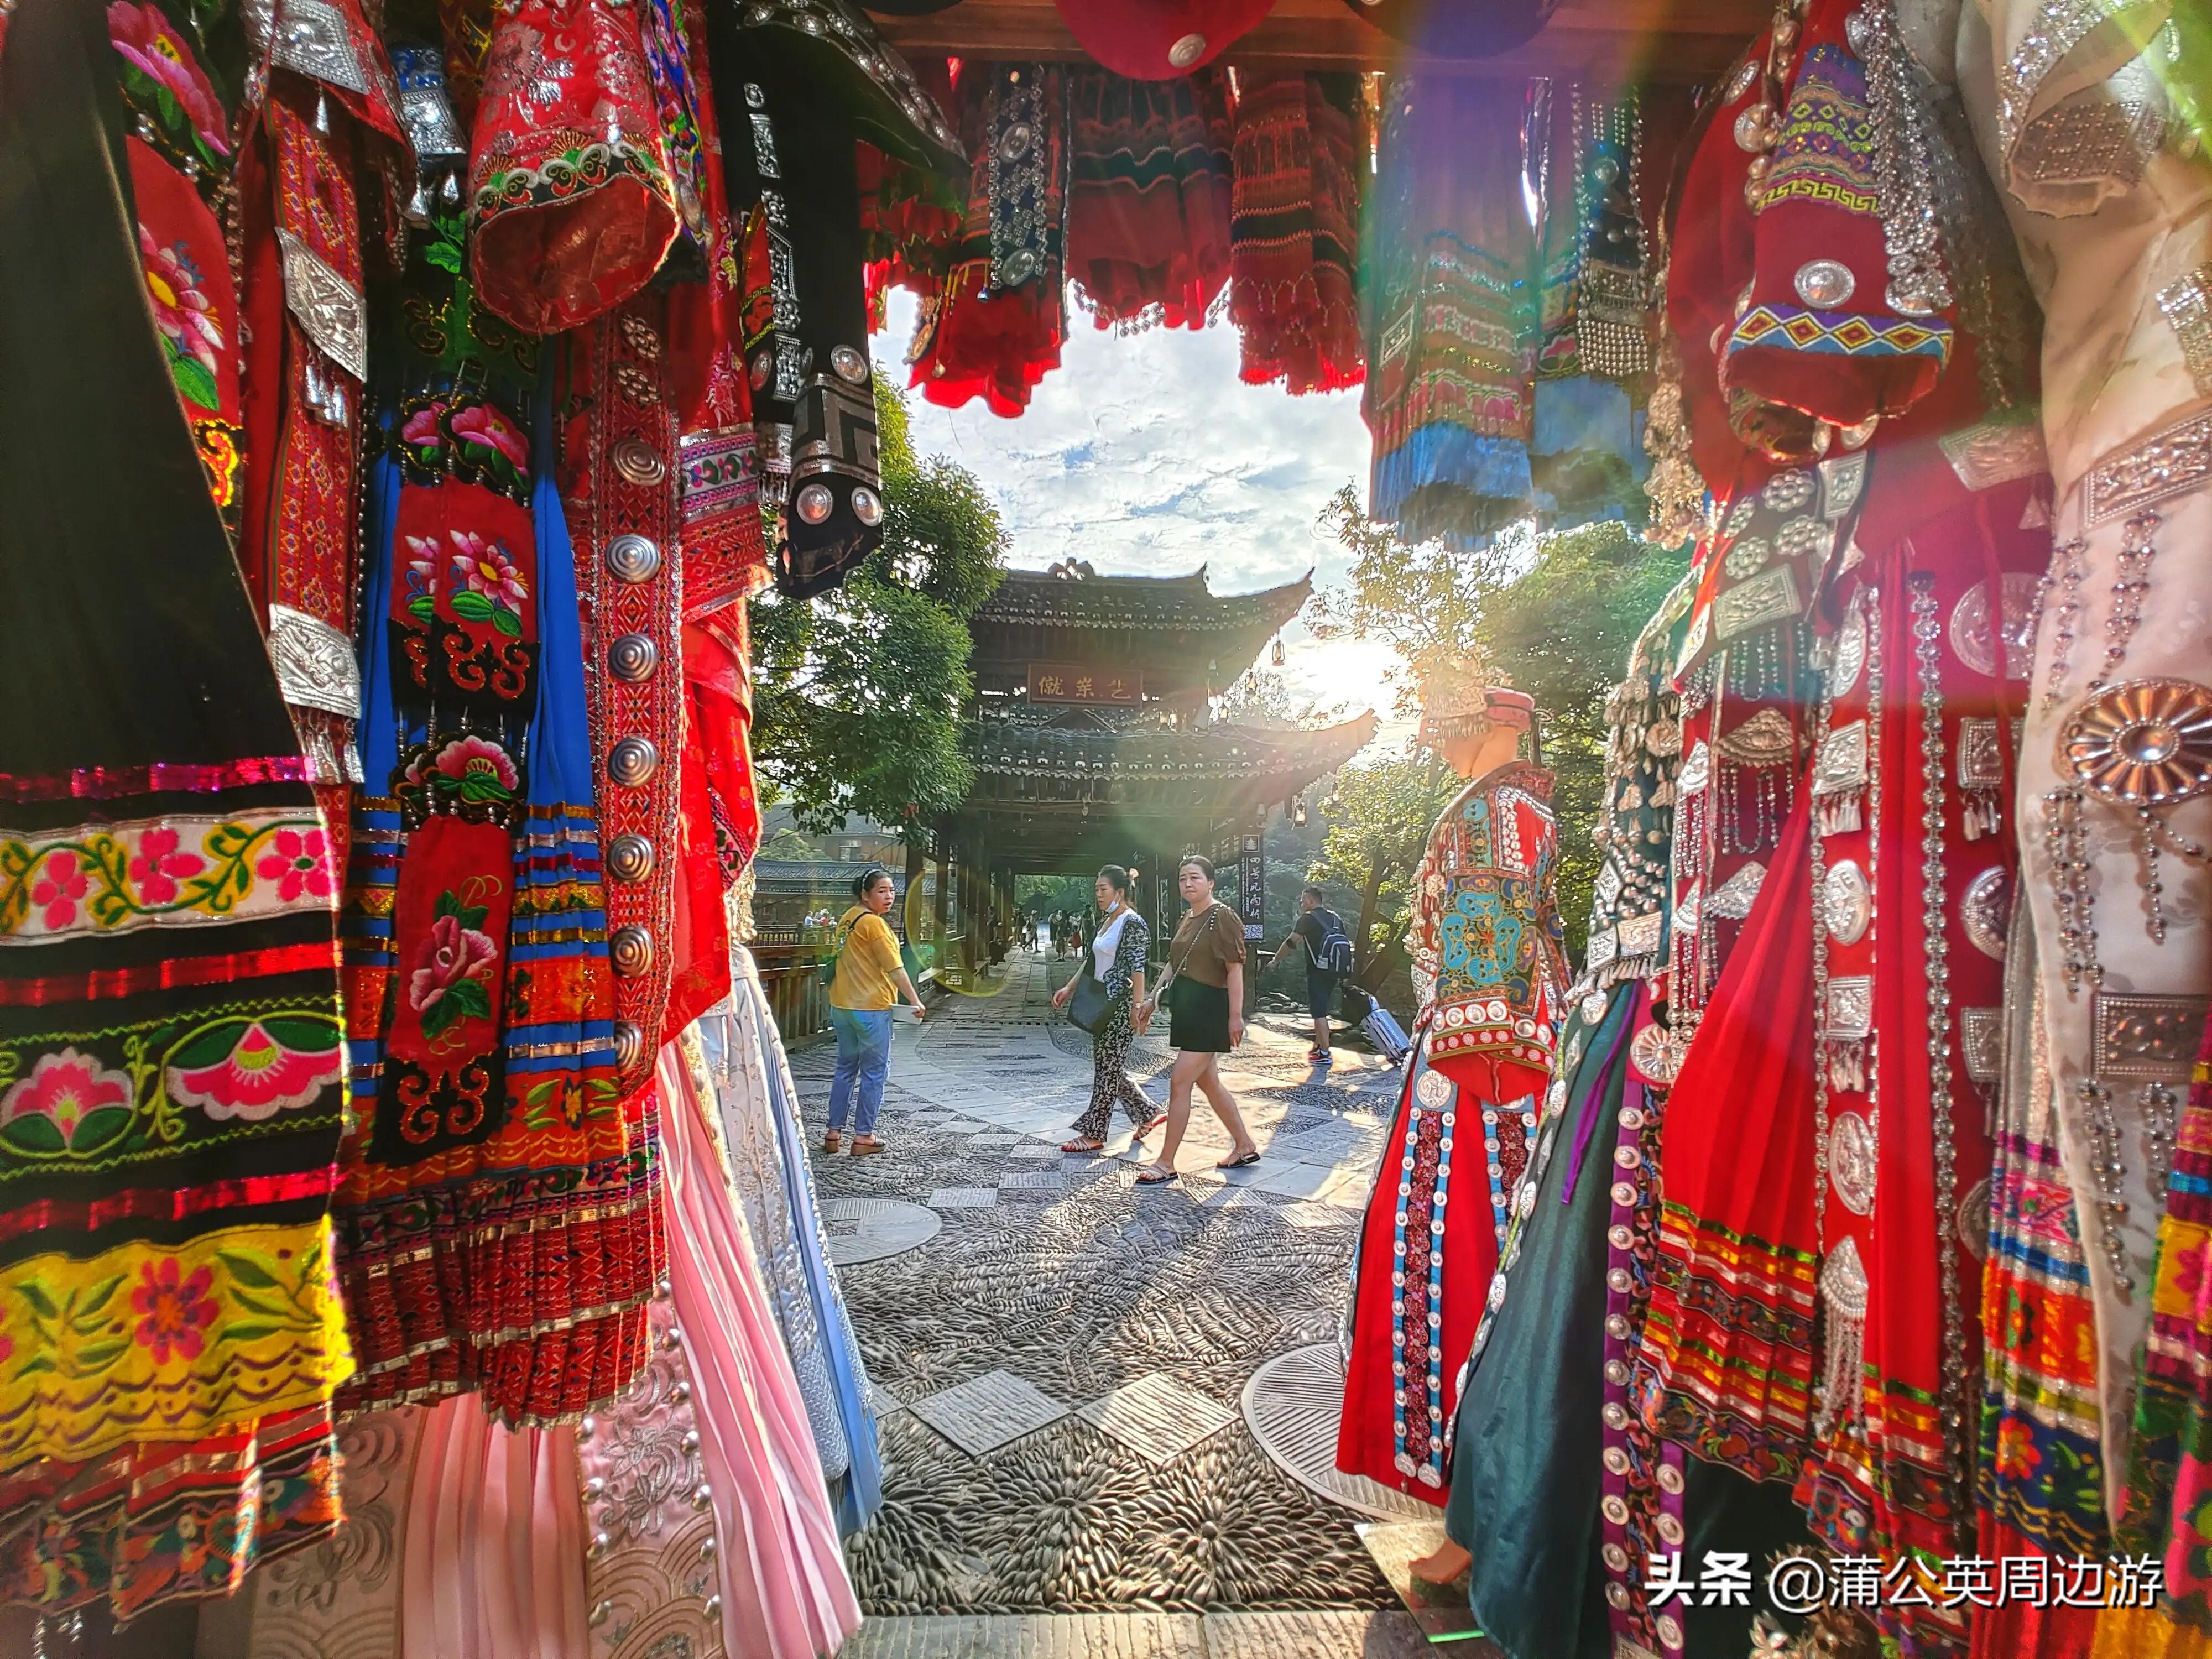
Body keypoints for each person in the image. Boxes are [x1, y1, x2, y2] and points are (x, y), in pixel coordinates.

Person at [1334, 679, 1566, 1561]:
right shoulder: (1527, 812)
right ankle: (1489, 1500)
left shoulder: (1485, 818)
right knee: (1494, 1247)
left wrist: (1477, 1063)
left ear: (1483, 730)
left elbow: (1483, 951)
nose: (1436, 746)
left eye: (1445, 732)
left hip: (1478, 1065)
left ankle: (1469, 1507)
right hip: (1519, 1049)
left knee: (1447, 1248)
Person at [1132, 855, 1261, 1185]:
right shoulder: (1187, 917)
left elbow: (1235, 969)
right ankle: (1245, 1145)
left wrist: (1235, 1016)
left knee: (1180, 1081)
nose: (1188, 884)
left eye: (1195, 878)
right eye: (1183, 879)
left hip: (1210, 1008)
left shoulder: (1223, 917)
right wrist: (1152, 997)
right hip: (1187, 1008)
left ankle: (1166, 1162)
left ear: (1211, 882)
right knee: (1208, 1082)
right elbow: (1174, 965)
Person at [1053, 867, 1162, 1153]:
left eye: (1104, 889)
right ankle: (1148, 1113)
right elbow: (1091, 960)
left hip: (1120, 1002)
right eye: (1097, 889)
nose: (1099, 894)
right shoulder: (1106, 921)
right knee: (1109, 1066)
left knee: (1106, 1069)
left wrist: (1137, 1007)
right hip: (1101, 1001)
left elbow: (1138, 968)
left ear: (1120, 892)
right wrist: (1069, 988)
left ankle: (1094, 1132)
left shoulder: (1132, 922)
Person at [823, 868, 926, 1156]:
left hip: (842, 1005)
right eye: (882, 891)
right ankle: (864, 1136)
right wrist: (915, 1001)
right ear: (865, 894)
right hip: (870, 1009)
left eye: (892, 891)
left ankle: (834, 1133)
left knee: (845, 1069)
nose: (889, 896)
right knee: (874, 1072)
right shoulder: (876, 925)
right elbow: (895, 968)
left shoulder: (847, 919)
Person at [1267, 884, 1350, 1064]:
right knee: (1321, 1009)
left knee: (1318, 1012)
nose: (1301, 903)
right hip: (1334, 971)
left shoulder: (1307, 919)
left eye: (1302, 900)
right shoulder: (1336, 919)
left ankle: (1325, 1055)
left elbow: (1291, 942)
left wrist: (1276, 960)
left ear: (1310, 900)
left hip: (1317, 972)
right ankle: (1319, 1047)